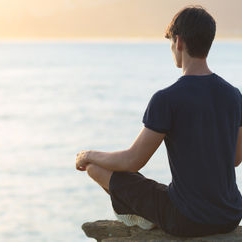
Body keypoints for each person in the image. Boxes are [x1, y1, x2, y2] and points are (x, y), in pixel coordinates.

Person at [75, 5, 242, 237]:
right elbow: (235, 158)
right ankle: (145, 214)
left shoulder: (167, 98)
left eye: (171, 43)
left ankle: (142, 216)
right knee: (153, 188)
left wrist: (89, 154)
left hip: (186, 219)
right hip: (230, 215)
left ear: (179, 42)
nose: (172, 49)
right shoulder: (234, 95)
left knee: (95, 168)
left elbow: (132, 161)